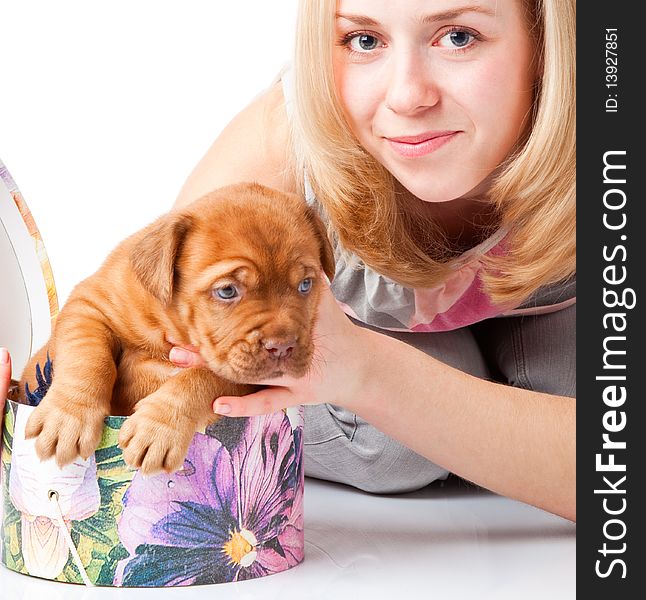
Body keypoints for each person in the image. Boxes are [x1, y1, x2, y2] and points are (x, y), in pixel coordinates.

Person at [1, 0, 576, 520]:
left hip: (559, 285)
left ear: (549, 36)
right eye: (363, 39)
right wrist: (36, 401)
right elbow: (140, 337)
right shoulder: (280, 150)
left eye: (458, 36)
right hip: (381, 333)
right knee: (387, 447)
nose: (407, 96)